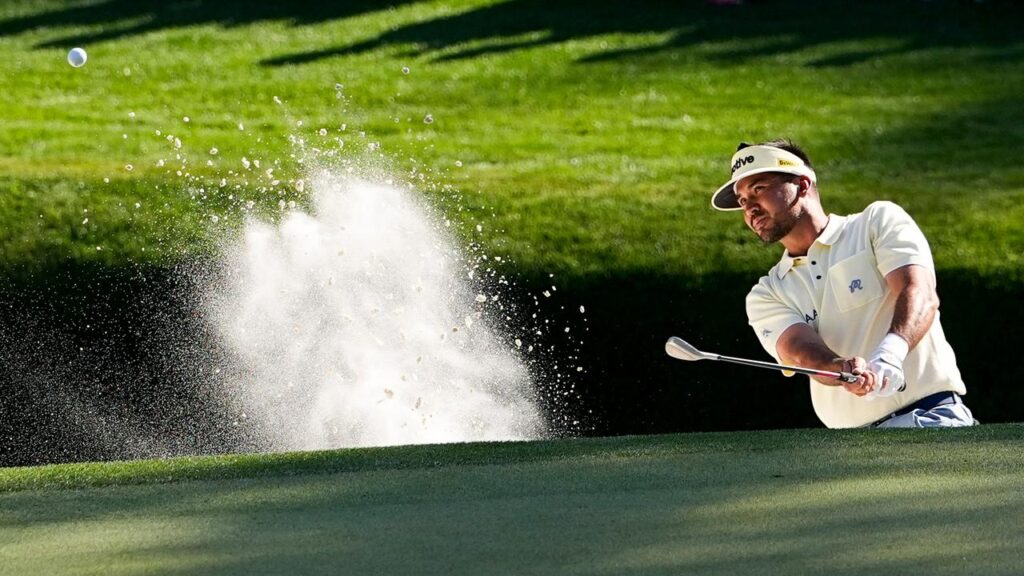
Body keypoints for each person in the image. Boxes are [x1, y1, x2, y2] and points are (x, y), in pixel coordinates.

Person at [711, 139, 975, 428]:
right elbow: (799, 351)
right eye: (742, 201)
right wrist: (840, 368)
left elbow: (920, 292)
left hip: (931, 418)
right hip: (850, 452)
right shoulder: (768, 293)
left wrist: (891, 353)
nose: (750, 208)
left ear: (802, 184)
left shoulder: (876, 222)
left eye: (758, 189)